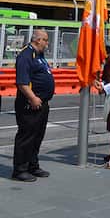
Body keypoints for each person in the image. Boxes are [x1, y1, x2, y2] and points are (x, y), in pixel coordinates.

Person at [12, 30, 53, 182]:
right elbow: (22, 82)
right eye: (46, 40)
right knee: (26, 136)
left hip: (42, 103)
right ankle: (20, 169)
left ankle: (32, 165)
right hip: (30, 104)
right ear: (38, 40)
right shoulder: (25, 55)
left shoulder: (39, 55)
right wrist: (33, 98)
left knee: (37, 136)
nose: (47, 44)